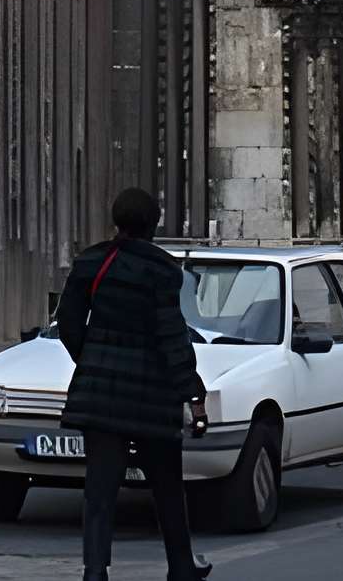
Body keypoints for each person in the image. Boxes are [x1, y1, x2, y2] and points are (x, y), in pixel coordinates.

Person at [56, 186, 210, 581]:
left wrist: (92, 359)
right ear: (153, 226)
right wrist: (191, 388)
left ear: (116, 221)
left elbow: (69, 324)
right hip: (151, 395)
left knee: (100, 490)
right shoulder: (162, 271)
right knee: (167, 487)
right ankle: (180, 566)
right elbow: (171, 336)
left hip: (101, 393)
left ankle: (95, 571)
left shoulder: (91, 262)